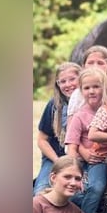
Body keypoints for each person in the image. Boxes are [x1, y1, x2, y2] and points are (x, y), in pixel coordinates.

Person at [64, 67, 107, 213]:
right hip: (87, 163)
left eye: (97, 87)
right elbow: (72, 149)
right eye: (87, 88)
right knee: (94, 188)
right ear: (81, 91)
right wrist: (77, 173)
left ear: (104, 87)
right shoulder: (80, 116)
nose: (92, 91)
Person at [33, 62, 81, 195]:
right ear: (58, 85)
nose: (68, 84)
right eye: (62, 81)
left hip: (80, 159)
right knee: (41, 192)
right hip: (55, 158)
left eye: (72, 79)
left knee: (77, 195)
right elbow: (42, 140)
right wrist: (58, 162)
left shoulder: (88, 103)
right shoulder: (54, 105)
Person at [66, 45, 107, 124]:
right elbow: (71, 127)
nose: (95, 66)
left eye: (100, 63)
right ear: (83, 67)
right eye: (90, 63)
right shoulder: (78, 94)